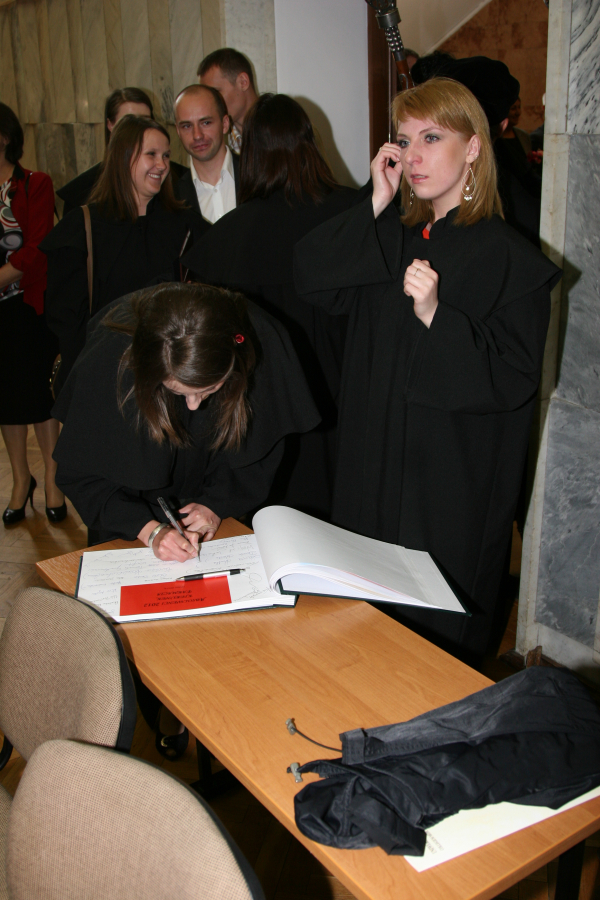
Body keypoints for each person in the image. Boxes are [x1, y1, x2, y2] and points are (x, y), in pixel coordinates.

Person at [294, 77, 561, 664]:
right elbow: (310, 275)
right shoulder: (389, 236)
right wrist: (374, 200)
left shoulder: (508, 258)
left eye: (431, 138)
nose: (412, 155)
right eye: (404, 139)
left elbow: (512, 377)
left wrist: (437, 316)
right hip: (369, 476)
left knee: (431, 653)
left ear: (473, 147)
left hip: (442, 494)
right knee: (363, 638)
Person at [182, 94, 357, 518]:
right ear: (309, 143)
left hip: (264, 415)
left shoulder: (224, 239)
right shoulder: (353, 216)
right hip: (346, 405)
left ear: (251, 152)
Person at [41, 115, 208, 396]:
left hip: (169, 380)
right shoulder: (82, 227)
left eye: (166, 155)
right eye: (151, 154)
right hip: (104, 378)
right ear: (123, 157)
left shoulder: (185, 225)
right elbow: (67, 322)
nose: (162, 165)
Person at [0, 102, 66, 526]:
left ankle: (54, 480)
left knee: (39, 396)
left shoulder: (34, 183)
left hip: (27, 307)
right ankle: (21, 480)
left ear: (5, 136)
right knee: (5, 400)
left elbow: (39, 245)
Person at [56, 88, 182, 217]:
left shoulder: (180, 181)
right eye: (129, 122)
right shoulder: (79, 193)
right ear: (110, 125)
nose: (138, 129)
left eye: (145, 121)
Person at [174, 84, 239, 222]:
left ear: (225, 124)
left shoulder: (258, 175)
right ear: (178, 131)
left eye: (206, 123)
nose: (197, 135)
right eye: (187, 126)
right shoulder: (173, 198)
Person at [198, 48, 259, 154]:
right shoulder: (214, 139)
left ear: (243, 82)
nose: (209, 103)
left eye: (216, 93)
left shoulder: (282, 130)